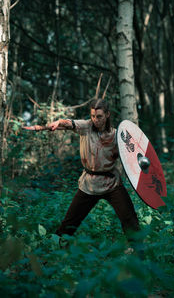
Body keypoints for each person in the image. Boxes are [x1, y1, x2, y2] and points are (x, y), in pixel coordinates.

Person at [23, 99, 139, 246]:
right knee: (70, 221)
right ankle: (55, 250)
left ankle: (139, 252)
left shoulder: (116, 135)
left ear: (107, 115)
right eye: (92, 116)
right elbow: (70, 123)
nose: (95, 120)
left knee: (129, 218)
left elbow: (133, 153)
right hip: (89, 184)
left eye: (99, 116)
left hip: (112, 183)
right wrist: (58, 122)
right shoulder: (86, 127)